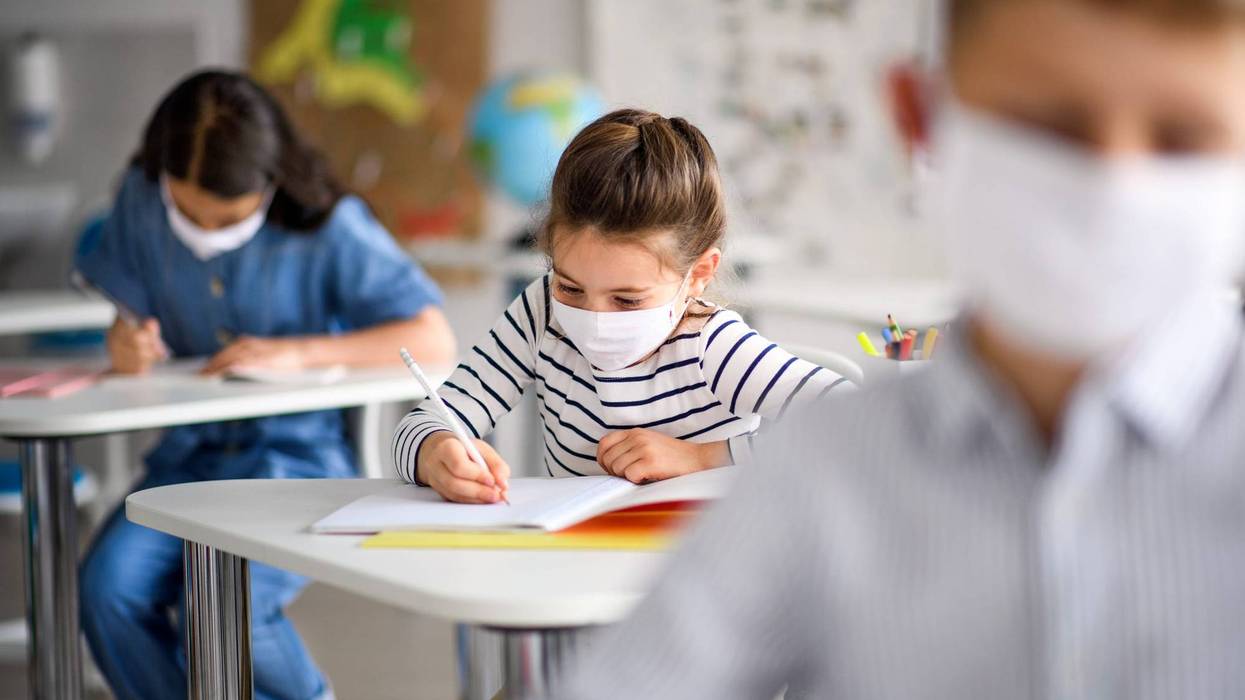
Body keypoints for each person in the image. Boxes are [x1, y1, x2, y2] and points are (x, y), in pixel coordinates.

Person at [558, 0, 1245, 697]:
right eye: (1048, 125)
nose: (1111, 186)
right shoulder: (820, 471)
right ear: (920, 117)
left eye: (1183, 138)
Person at [76, 70, 455, 700]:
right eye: (185, 211)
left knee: (229, 607)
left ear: (269, 181)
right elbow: (127, 316)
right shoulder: (140, 200)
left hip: (297, 461)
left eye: (226, 217)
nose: (203, 231)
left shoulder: (329, 225)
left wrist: (301, 352)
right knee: (106, 590)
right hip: (186, 462)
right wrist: (126, 343)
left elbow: (432, 337)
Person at [391, 108, 850, 503]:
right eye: (570, 288)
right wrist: (436, 451)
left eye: (627, 300)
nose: (593, 319)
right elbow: (427, 419)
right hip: (577, 569)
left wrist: (703, 457)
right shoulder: (539, 312)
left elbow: (855, 423)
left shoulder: (712, 346)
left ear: (699, 274)